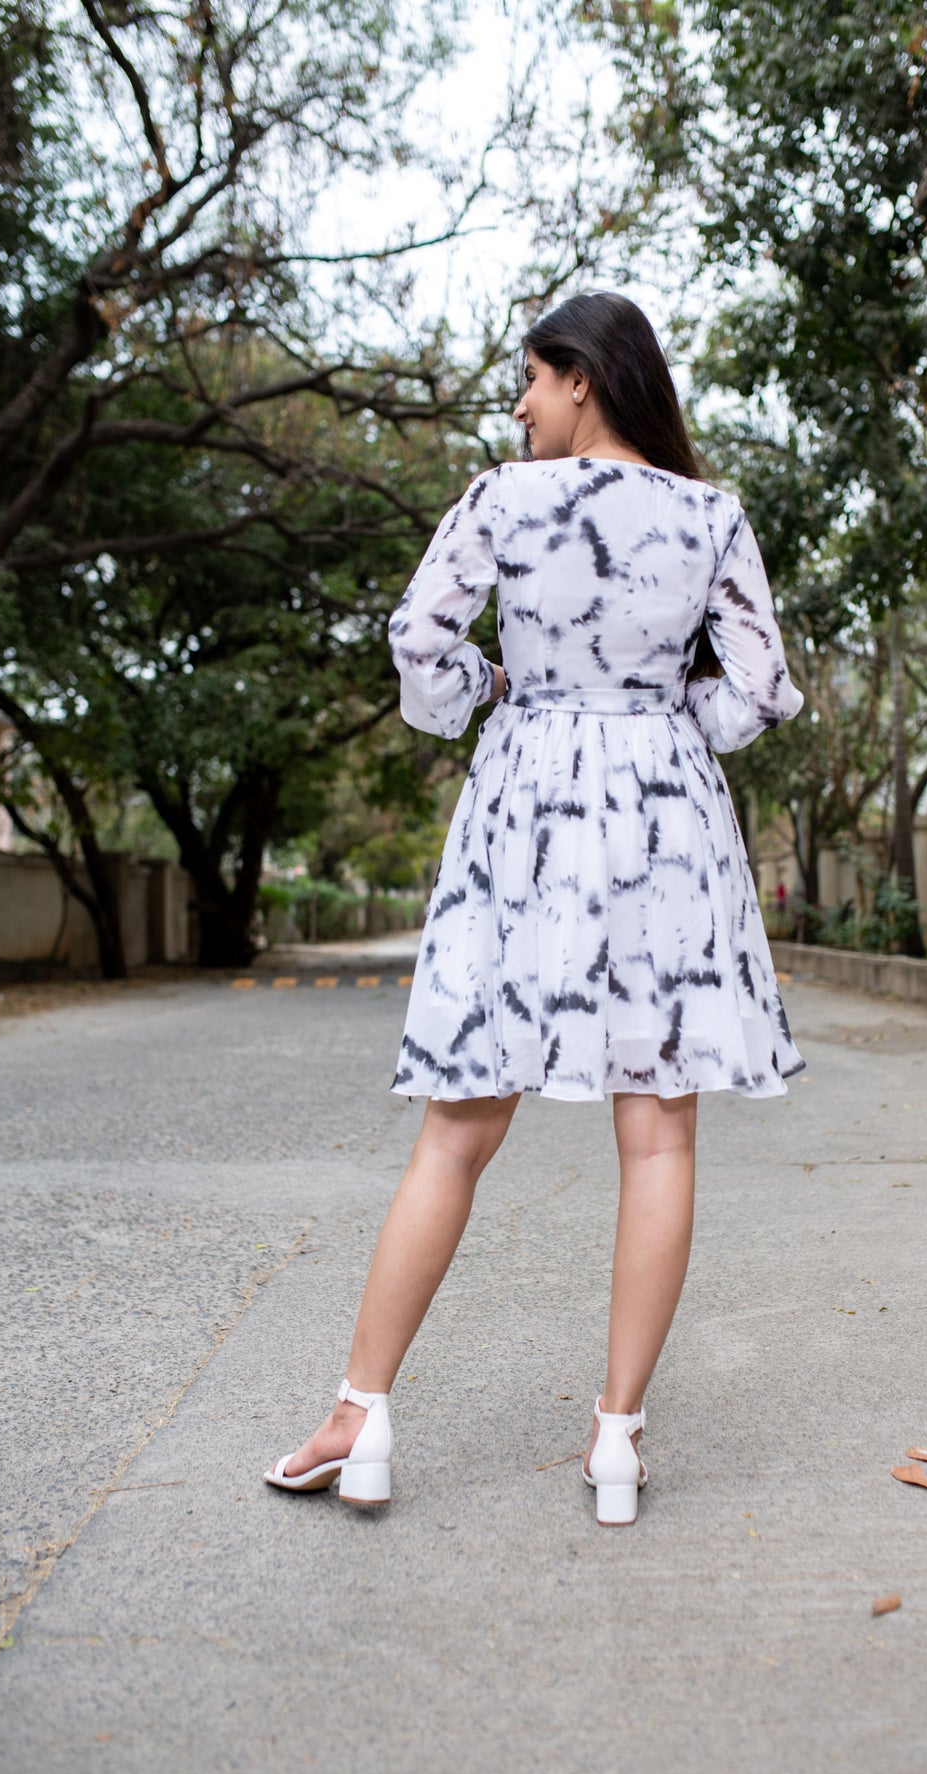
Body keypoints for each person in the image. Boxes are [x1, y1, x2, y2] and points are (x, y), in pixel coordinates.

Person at [264, 292, 805, 1525]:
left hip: (531, 815)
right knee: (658, 1137)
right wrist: (665, 722)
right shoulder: (711, 515)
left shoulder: (504, 501)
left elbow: (421, 642)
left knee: (458, 1127)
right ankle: (616, 1442)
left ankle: (360, 1417)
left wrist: (494, 689)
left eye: (529, 380)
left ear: (579, 378)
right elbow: (760, 690)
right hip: (665, 824)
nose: (519, 406)